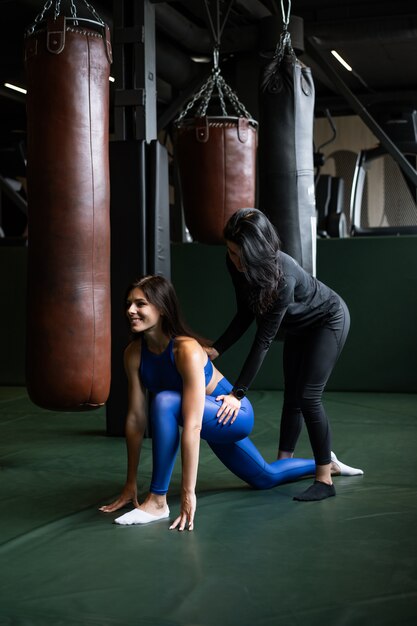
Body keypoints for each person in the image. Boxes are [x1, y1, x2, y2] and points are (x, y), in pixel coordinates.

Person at [100, 275, 353, 531]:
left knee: (166, 401)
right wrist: (130, 483)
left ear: (162, 308)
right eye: (129, 303)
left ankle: (157, 501)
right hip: (206, 418)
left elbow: (194, 424)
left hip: (233, 414)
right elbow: (135, 419)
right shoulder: (133, 354)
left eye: (140, 304)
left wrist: (189, 492)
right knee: (264, 477)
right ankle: (326, 463)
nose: (130, 310)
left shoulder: (186, 350)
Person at [207, 208, 363, 502]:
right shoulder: (236, 265)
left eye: (241, 255)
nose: (235, 261)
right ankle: (285, 464)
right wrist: (217, 348)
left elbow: (263, 339)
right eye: (230, 252)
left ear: (258, 252)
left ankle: (324, 478)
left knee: (308, 397)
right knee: (291, 398)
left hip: (328, 320)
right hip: (298, 328)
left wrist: (237, 394)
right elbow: (245, 313)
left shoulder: (283, 276)